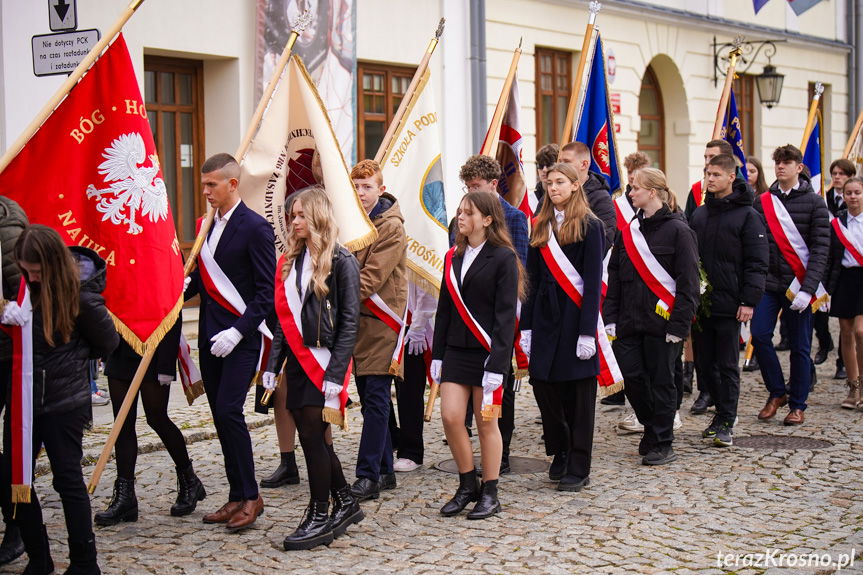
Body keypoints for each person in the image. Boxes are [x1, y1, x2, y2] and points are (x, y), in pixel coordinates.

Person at [1, 225, 119, 574]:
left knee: (66, 480)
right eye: (26, 271)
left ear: (51, 263)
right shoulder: (23, 287)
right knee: (15, 478)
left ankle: (84, 563)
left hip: (63, 401)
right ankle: (39, 559)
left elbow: (108, 342)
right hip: (23, 399)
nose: (31, 278)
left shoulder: (80, 294)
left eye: (36, 272)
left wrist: (72, 357)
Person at [264, 188, 363, 550]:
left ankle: (319, 513)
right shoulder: (291, 259)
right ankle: (346, 502)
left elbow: (350, 322)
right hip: (297, 362)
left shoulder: (342, 260)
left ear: (319, 215)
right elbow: (283, 319)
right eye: (292, 215)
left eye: (301, 215)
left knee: (311, 437)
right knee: (314, 438)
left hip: (324, 364)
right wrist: (273, 364)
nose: (295, 221)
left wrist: (337, 375)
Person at [184, 153, 275, 531]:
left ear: (232, 184)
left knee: (229, 412)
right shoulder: (206, 226)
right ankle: (236, 494)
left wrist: (239, 330)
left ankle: (252, 495)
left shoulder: (254, 227)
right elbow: (204, 282)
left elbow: (265, 292)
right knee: (220, 417)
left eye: (212, 185)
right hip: (210, 336)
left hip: (241, 337)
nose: (205, 191)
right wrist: (180, 287)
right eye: (203, 184)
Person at [432, 191, 522, 519]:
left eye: (468, 213)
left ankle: (491, 491)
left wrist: (499, 364)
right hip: (456, 351)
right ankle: (467, 483)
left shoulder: (503, 258)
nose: (461, 217)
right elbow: (444, 310)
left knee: (487, 424)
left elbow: (505, 315)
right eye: (459, 212)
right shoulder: (453, 256)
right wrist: (437, 355)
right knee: (452, 417)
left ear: (487, 219)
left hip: (488, 356)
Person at [605, 168, 699, 465]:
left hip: (663, 323)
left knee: (661, 381)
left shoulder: (679, 231)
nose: (630, 193)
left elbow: (688, 283)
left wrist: (679, 325)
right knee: (632, 377)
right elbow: (615, 276)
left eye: (635, 188)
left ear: (653, 192)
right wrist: (611, 317)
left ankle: (662, 440)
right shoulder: (629, 231)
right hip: (629, 321)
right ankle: (651, 424)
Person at [520, 162, 605, 490]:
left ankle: (579, 464)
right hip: (544, 316)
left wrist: (587, 332)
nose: (553, 187)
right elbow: (532, 277)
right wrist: (526, 326)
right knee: (544, 385)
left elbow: (594, 282)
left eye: (560, 182)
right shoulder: (540, 224)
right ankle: (560, 448)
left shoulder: (590, 224)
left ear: (574, 185)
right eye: (549, 182)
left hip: (574, 317)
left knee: (578, 394)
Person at [94, 316, 206, 526]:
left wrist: (166, 364)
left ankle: (190, 481)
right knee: (122, 423)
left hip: (153, 351)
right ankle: (125, 498)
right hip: (121, 348)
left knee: (157, 418)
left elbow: (172, 313)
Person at [455, 155, 528, 474]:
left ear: (493, 185)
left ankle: (504, 447)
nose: (470, 191)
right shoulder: (460, 218)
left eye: (476, 186)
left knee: (501, 380)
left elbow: (521, 264)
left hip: (502, 309)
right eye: (467, 186)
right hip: (467, 311)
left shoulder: (513, 217)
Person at [689, 154, 768, 447]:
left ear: (731, 177)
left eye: (716, 175)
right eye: (707, 174)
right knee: (705, 365)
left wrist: (748, 300)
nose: (709, 179)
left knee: (726, 364)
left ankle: (726, 420)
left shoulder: (748, 216)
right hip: (702, 304)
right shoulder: (699, 214)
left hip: (730, 303)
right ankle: (717, 414)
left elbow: (757, 261)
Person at [751, 145, 830, 426]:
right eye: (777, 163)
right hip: (769, 284)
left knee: (799, 347)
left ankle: (797, 404)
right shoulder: (763, 202)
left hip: (799, 285)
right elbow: (757, 244)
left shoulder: (815, 203)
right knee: (759, 335)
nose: (781, 167)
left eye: (787, 162)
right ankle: (776, 392)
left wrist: (808, 289)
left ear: (799, 167)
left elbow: (821, 249)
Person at [347, 159, 407, 501]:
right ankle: (384, 471)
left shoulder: (391, 227)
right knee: (371, 399)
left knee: (376, 398)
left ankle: (367, 474)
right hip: (358, 323)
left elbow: (370, 278)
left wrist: (332, 295)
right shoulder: (352, 222)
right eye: (355, 187)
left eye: (367, 187)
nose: (360, 193)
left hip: (381, 321)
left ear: (380, 190)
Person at [0, 196, 27, 567]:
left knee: (15, 449)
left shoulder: (6, 222)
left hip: (7, 353)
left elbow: (20, 288)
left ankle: (17, 526)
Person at [827, 176, 863, 410]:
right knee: (847, 333)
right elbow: (832, 257)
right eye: (848, 193)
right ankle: (854, 386)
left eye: (857, 192)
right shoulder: (838, 223)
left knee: (861, 331)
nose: (852, 196)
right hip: (845, 280)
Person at [393, 282, 436, 472]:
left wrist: (418, 326)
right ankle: (390, 440)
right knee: (372, 385)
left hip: (412, 324)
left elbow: (427, 289)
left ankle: (411, 451)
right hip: (382, 317)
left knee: (409, 390)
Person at [819, 159, 856, 378]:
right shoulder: (827, 202)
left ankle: (848, 367)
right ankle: (826, 344)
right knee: (836, 325)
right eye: (834, 173)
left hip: (856, 272)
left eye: (842, 173)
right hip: (837, 271)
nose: (837, 177)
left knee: (855, 329)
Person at [558, 141, 617, 249]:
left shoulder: (601, 199)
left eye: (566, 162)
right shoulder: (552, 194)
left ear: (584, 164)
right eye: (560, 162)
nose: (561, 166)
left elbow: (604, 240)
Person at [533, 143, 560, 208]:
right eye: (541, 165)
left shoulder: (566, 197)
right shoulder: (531, 199)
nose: (544, 170)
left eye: (549, 165)